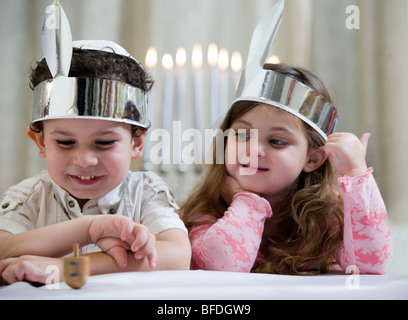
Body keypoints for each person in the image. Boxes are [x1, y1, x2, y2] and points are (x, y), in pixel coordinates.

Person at [0, 40, 191, 285]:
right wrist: (88, 229)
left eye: (104, 142)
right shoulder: (30, 198)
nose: (85, 160)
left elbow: (177, 257)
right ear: (41, 143)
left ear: (136, 143)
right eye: (66, 142)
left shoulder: (145, 193)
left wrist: (68, 269)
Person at [181, 63, 392, 274]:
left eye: (277, 141)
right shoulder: (207, 212)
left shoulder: (325, 217)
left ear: (313, 158)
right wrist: (247, 202)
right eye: (243, 135)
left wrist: (356, 174)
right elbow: (222, 267)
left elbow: (370, 264)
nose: (253, 150)